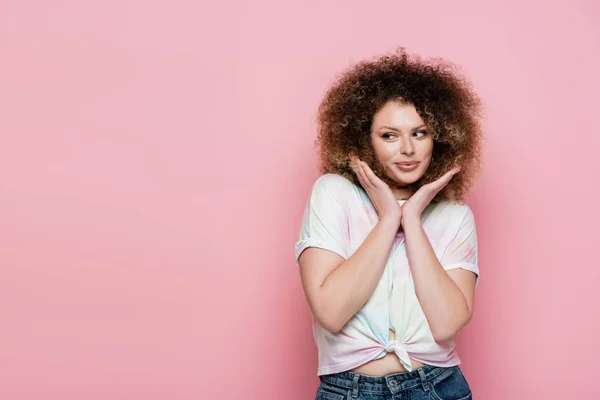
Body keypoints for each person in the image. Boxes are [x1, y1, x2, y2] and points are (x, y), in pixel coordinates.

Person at [294, 48, 483, 400]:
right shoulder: (333, 194)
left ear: (439, 139)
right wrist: (388, 219)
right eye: (389, 135)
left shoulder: (455, 215)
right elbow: (331, 313)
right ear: (364, 138)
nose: (408, 149)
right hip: (349, 390)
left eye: (420, 133)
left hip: (437, 387)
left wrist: (411, 218)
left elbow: (445, 324)